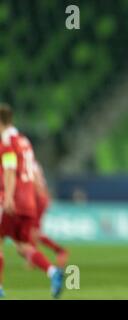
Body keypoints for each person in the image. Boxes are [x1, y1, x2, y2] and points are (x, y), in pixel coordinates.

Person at [0, 104, 64, 299]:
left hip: (12, 198)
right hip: (29, 201)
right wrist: (41, 194)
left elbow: (10, 170)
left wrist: (9, 196)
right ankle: (53, 272)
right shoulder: (24, 141)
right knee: (22, 246)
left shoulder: (7, 142)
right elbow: (35, 171)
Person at [31, 160, 69, 268]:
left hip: (37, 200)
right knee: (32, 231)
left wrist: (40, 199)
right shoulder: (32, 163)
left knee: (33, 231)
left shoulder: (29, 164)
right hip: (38, 199)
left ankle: (60, 250)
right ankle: (34, 257)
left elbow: (37, 183)